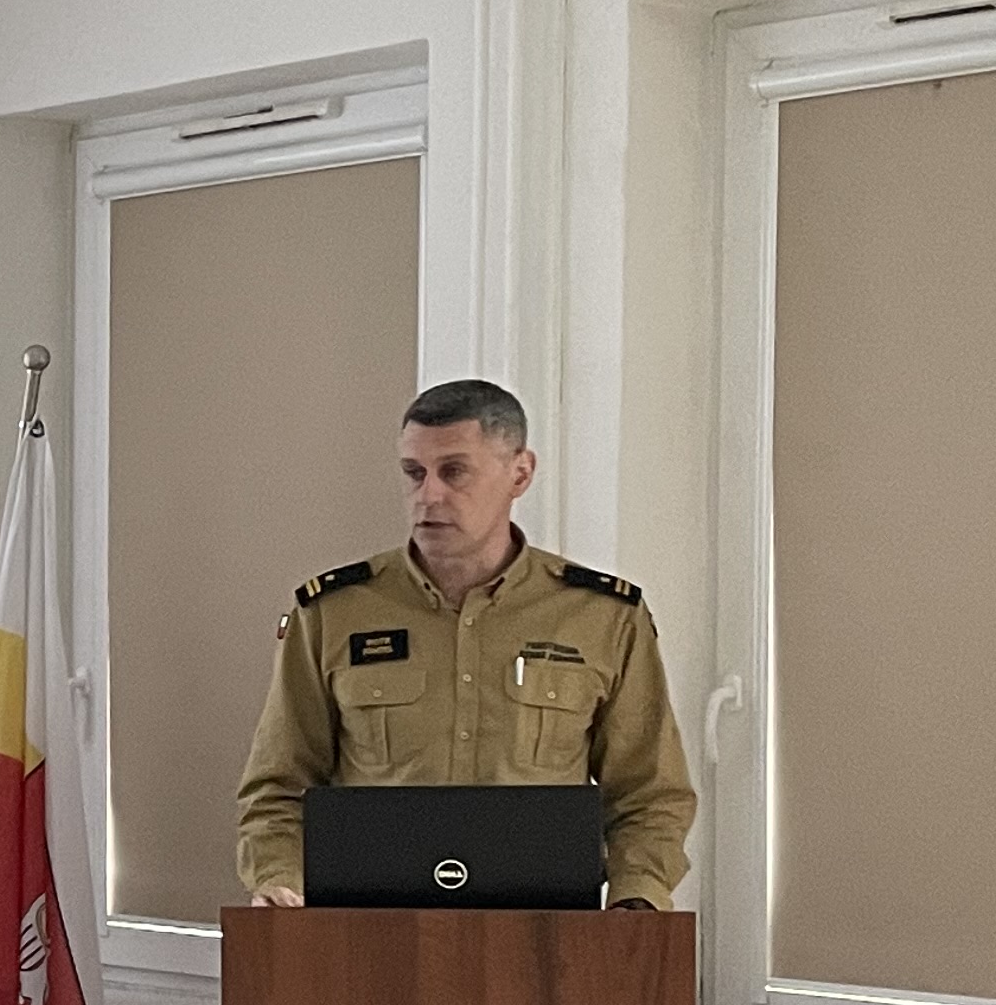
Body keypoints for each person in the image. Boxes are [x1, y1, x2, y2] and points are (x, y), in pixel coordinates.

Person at [236, 377, 697, 911]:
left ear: (520, 473)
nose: (428, 495)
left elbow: (648, 795)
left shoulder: (600, 617)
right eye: (414, 473)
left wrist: (636, 900)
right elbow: (278, 789)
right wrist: (281, 881)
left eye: (454, 471)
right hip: (370, 925)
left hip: (544, 929)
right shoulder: (334, 614)